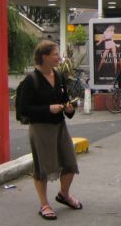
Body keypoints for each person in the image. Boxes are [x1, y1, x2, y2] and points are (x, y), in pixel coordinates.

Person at [20, 40, 82, 220]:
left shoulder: (59, 75)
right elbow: (24, 109)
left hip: (59, 125)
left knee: (70, 162)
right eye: (56, 54)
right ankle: (44, 204)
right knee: (43, 167)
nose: (60, 57)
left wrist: (69, 108)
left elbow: (64, 100)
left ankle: (64, 194)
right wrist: (47, 109)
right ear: (44, 56)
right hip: (41, 128)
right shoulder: (31, 80)